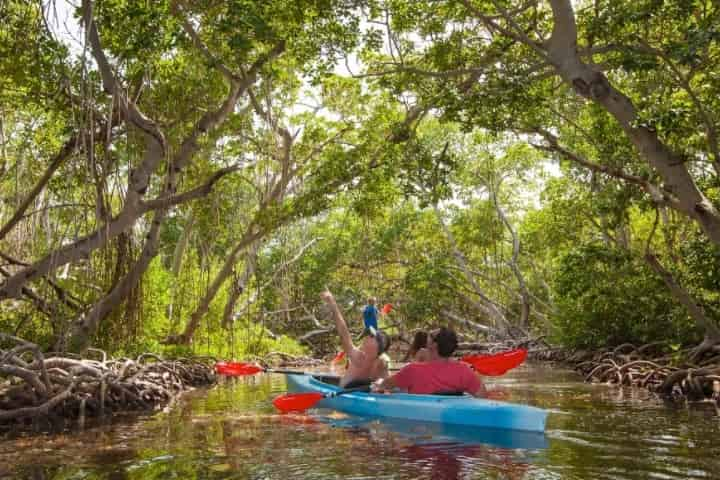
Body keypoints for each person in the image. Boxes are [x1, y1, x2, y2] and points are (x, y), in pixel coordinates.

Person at [372, 326, 486, 397]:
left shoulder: (412, 370)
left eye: (430, 336)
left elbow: (384, 386)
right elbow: (482, 396)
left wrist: (377, 384)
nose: (427, 336)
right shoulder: (465, 370)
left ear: (433, 345)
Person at [321, 289, 391, 388]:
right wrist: (332, 303)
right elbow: (343, 331)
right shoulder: (357, 356)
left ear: (379, 349)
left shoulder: (382, 363)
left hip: (364, 395)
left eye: (371, 337)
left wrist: (381, 381)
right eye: (368, 337)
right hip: (345, 392)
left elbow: (389, 384)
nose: (366, 338)